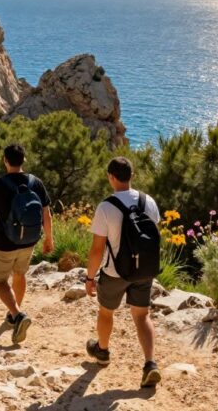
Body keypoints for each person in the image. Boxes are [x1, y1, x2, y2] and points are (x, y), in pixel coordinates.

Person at [84, 157, 163, 389]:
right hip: (143, 271)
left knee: (106, 312)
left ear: (111, 177)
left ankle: (103, 351)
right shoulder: (149, 201)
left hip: (114, 272)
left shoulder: (106, 207)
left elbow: (97, 249)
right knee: (142, 316)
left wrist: (89, 277)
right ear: (132, 175)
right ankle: (150, 364)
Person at [0, 144, 54, 344]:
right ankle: (14, 314)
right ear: (23, 160)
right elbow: (46, 213)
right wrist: (49, 238)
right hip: (29, 240)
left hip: (4, 242)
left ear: (5, 160)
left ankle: (17, 315)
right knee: (20, 274)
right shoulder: (36, 182)